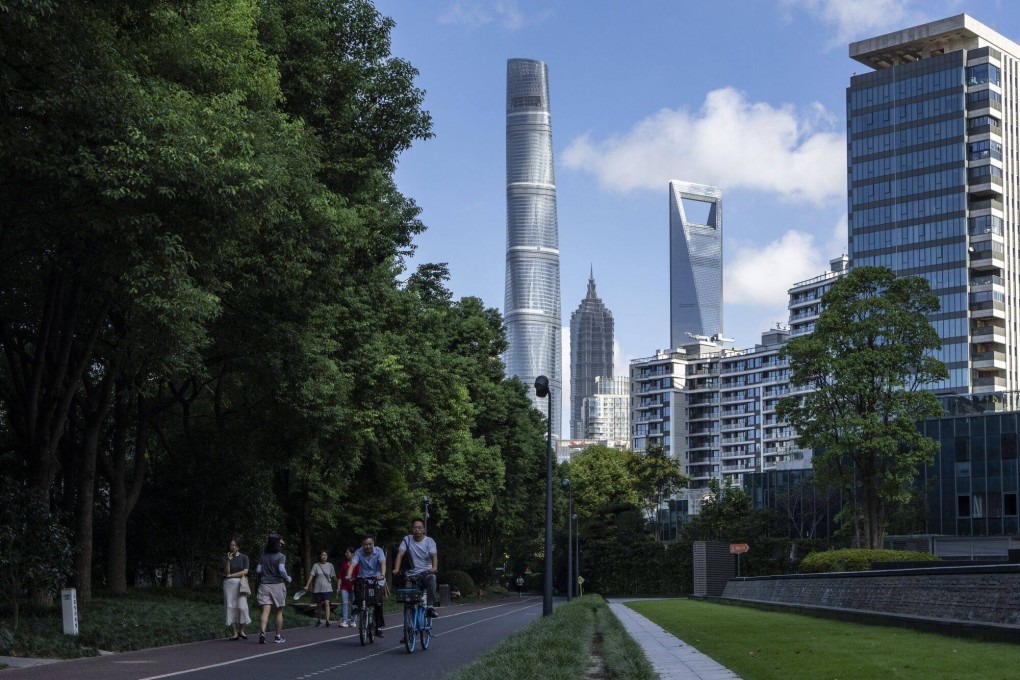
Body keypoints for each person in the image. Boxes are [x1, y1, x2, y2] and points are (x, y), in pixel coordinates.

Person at [392, 518, 439, 619]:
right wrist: (396, 569)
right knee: (407, 599)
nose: (417, 530)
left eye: (419, 527)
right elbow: (400, 555)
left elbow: (434, 556)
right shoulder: (407, 539)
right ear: (411, 529)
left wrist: (434, 568)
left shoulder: (429, 541)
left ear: (423, 530)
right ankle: (407, 627)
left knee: (432, 579)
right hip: (410, 574)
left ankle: (430, 607)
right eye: (414, 527)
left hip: (426, 572)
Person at [345, 533, 386, 637]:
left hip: (377, 579)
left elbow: (383, 564)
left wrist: (382, 575)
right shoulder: (359, 552)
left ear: (373, 543)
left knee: (377, 602)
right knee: (358, 586)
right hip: (364, 579)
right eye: (365, 544)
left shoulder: (379, 551)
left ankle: (378, 627)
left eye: (370, 544)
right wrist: (349, 575)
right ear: (362, 544)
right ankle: (357, 606)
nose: (368, 546)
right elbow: (353, 564)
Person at [256, 533, 292, 644]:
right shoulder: (281, 556)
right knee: (278, 612)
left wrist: (265, 574)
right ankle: (277, 636)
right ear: (278, 543)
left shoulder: (263, 556)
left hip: (264, 585)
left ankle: (262, 633)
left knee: (265, 611)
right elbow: (281, 569)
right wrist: (288, 578)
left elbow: (258, 570)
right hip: (277, 585)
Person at [222, 538, 251, 640]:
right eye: (231, 545)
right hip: (228, 585)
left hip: (241, 583)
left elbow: (245, 571)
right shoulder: (226, 557)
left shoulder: (244, 557)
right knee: (230, 607)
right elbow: (226, 572)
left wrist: (231, 575)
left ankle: (241, 630)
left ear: (238, 546)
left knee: (242, 607)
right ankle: (234, 633)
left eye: (235, 545)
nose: (233, 547)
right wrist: (229, 561)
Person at [304, 550, 337, 627]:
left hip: (327, 588)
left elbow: (334, 576)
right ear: (319, 556)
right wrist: (307, 585)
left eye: (326, 555)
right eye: (322, 555)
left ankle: (327, 620)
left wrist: (338, 584)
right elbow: (311, 575)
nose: (324, 556)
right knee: (318, 605)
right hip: (318, 588)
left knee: (326, 603)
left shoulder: (330, 565)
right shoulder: (316, 565)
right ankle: (319, 620)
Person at [338, 547, 358, 627]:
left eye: (347, 552)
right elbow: (340, 576)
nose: (346, 554)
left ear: (352, 554)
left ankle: (353, 620)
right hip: (344, 587)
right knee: (344, 603)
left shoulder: (357, 563)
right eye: (346, 552)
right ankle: (344, 620)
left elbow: (358, 575)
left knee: (354, 604)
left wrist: (354, 585)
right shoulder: (344, 563)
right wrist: (338, 586)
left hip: (354, 586)